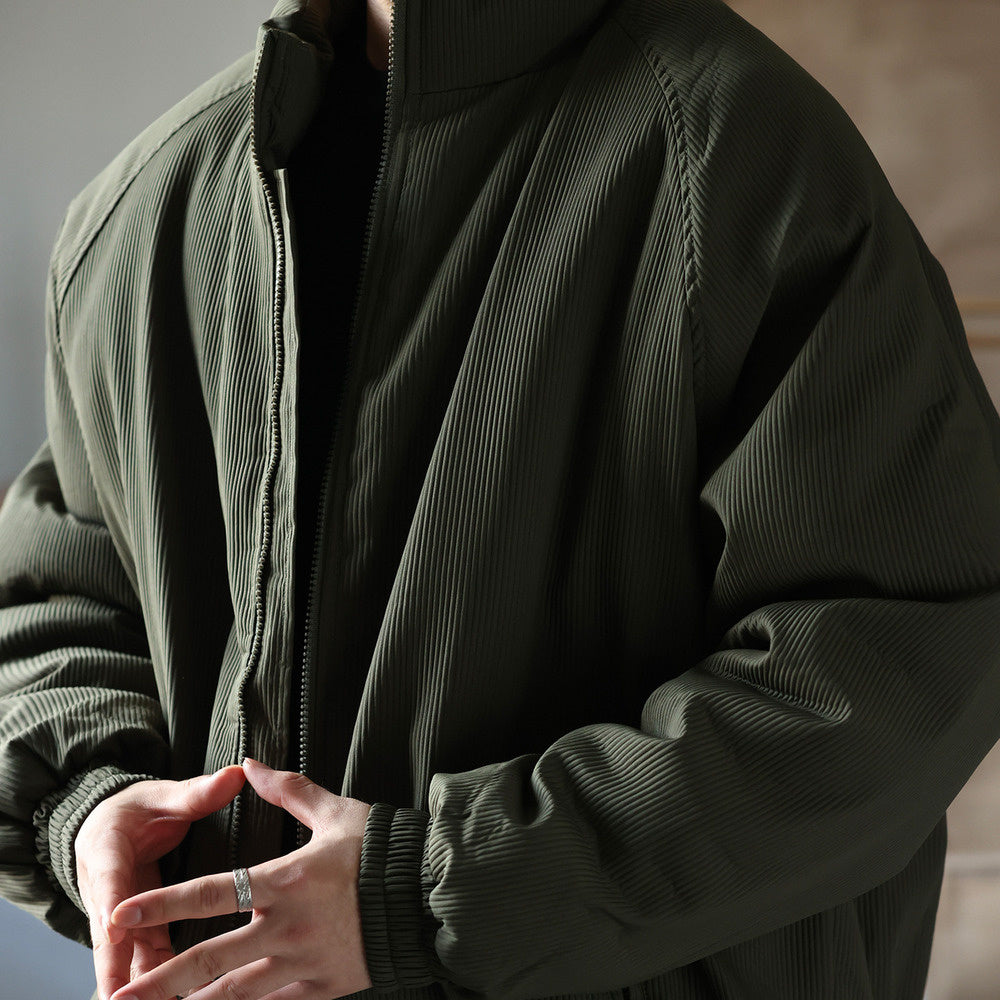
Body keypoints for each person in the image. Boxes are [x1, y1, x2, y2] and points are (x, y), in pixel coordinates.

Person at [1, 0, 999, 998]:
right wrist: (83, 806)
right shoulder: (145, 206)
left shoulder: (738, 151)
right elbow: (50, 606)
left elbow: (897, 655)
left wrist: (438, 888)